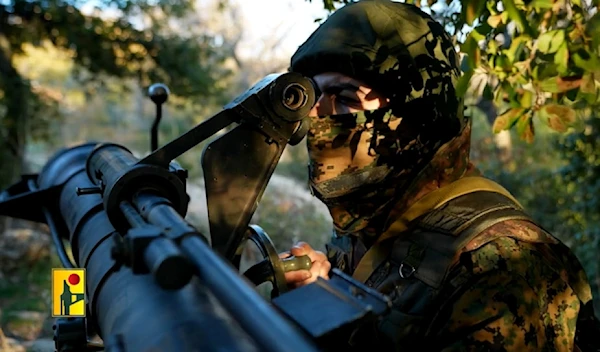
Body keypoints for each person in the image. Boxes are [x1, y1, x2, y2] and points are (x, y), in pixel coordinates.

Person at [279, 0, 599, 350]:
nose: (317, 118)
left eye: (344, 98)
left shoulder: (502, 263)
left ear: (416, 114)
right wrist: (320, 298)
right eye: (313, 97)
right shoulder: (373, 220)